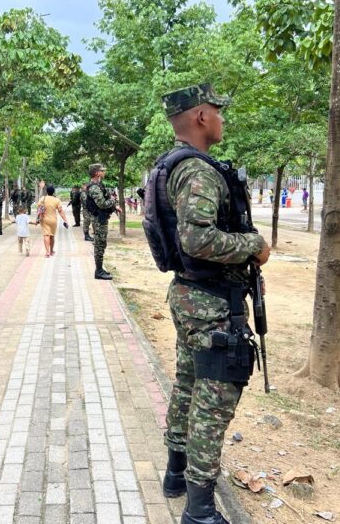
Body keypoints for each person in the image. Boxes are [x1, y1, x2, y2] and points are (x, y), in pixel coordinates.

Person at [150, 84, 270, 524]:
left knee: (187, 385)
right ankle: (200, 512)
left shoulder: (169, 165)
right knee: (212, 402)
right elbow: (196, 238)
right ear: (201, 116)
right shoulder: (198, 171)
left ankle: (176, 475)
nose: (222, 118)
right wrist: (253, 245)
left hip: (189, 296)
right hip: (211, 302)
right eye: (217, 111)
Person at [87, 163, 121, 280]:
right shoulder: (94, 187)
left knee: (101, 244)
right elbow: (101, 204)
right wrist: (112, 201)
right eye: (102, 170)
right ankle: (99, 271)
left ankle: (100, 269)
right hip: (98, 220)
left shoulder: (99, 185)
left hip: (101, 218)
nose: (104, 172)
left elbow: (105, 200)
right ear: (97, 173)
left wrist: (114, 206)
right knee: (99, 244)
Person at [37, 185, 69, 257]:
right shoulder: (57, 200)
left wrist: (39, 217)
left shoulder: (42, 198)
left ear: (47, 191)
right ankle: (51, 251)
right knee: (52, 236)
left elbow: (38, 208)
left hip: (44, 219)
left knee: (46, 235)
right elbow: (60, 211)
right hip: (53, 220)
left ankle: (47, 252)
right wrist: (65, 220)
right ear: (53, 192)